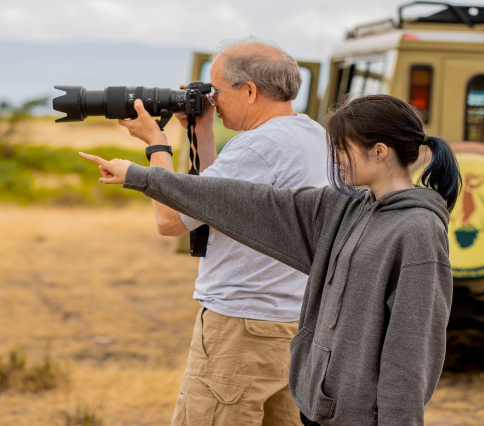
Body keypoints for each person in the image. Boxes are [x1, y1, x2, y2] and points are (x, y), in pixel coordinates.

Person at [80, 94, 460, 426]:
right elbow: (243, 201)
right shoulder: (344, 208)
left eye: (342, 149)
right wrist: (142, 176)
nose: (335, 161)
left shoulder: (417, 231)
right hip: (322, 409)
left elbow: (412, 350)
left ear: (379, 151)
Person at [114, 39, 329, 426]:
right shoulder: (314, 136)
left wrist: (156, 143)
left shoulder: (258, 147)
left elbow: (171, 221)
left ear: (248, 91)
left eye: (216, 90)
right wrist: (204, 132)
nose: (211, 98)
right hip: (294, 325)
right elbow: (220, 204)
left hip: (240, 329)